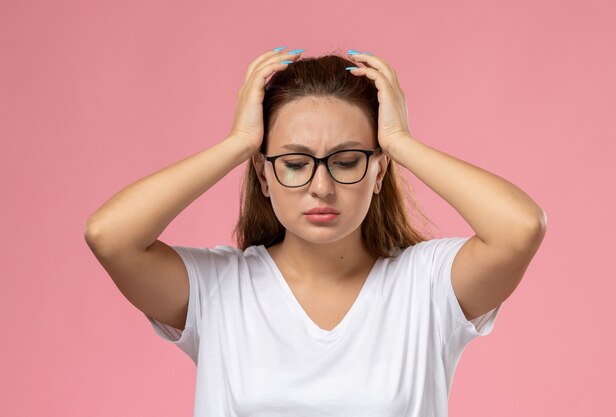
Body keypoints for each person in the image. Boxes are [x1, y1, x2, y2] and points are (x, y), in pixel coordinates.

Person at [84, 46, 547, 416]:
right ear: (264, 175)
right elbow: (110, 235)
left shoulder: (426, 285)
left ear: (379, 172)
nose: (321, 187)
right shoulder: (218, 288)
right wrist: (238, 144)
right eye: (295, 163)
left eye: (347, 161)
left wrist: (401, 143)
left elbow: (520, 228)